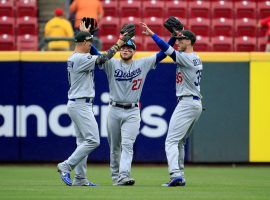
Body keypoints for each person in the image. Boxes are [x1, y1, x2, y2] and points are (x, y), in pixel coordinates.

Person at [84, 25, 176, 186]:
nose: (126, 50)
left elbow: (164, 53)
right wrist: (86, 35)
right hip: (114, 109)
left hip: (133, 111)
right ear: (120, 49)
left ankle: (124, 175)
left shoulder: (143, 63)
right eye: (124, 47)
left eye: (129, 48)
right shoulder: (110, 63)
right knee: (114, 147)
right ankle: (115, 177)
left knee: (127, 145)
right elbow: (95, 53)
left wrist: (174, 36)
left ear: (134, 51)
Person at [57, 24, 134, 186]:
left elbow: (93, 53)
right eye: (89, 41)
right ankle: (66, 165)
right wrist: (119, 42)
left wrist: (86, 32)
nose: (91, 44)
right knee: (93, 140)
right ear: (82, 43)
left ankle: (80, 178)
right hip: (80, 104)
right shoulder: (80, 58)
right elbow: (103, 58)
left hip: (78, 103)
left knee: (82, 142)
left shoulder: (74, 56)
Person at [141, 22, 203, 187]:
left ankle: (175, 174)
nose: (178, 41)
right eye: (177, 39)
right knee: (180, 141)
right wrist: (175, 34)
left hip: (187, 102)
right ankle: (180, 174)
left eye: (181, 39)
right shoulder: (196, 57)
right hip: (194, 103)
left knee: (170, 141)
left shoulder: (187, 57)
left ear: (189, 41)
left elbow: (166, 50)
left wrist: (152, 34)